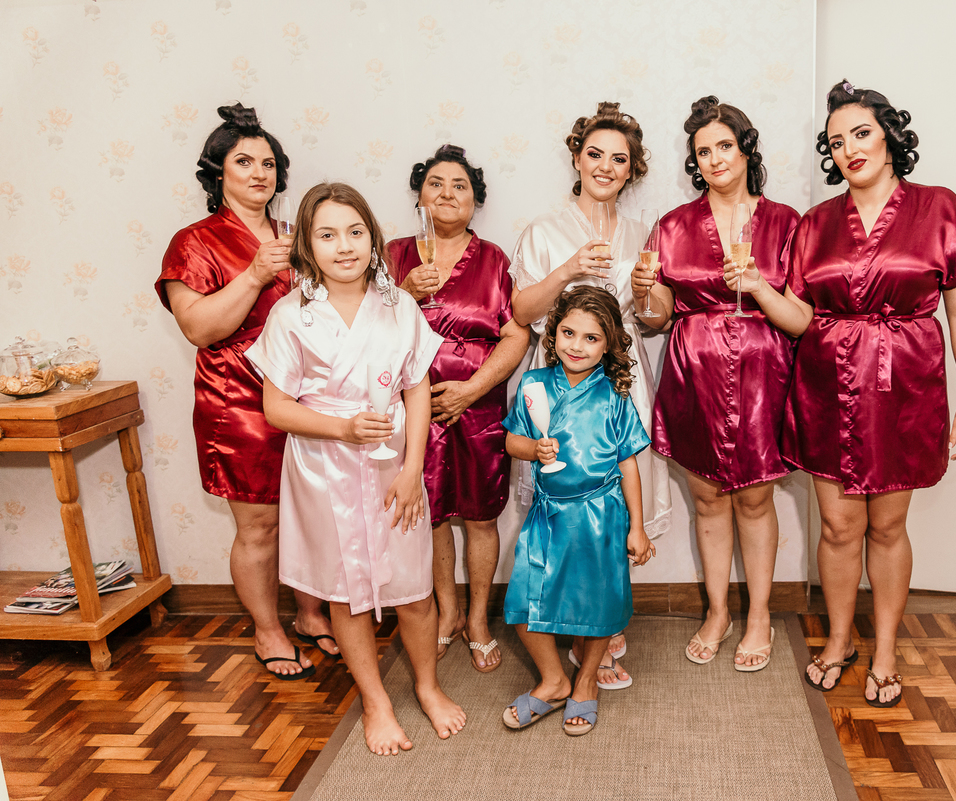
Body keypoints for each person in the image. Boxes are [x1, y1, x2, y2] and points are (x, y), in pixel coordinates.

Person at [731, 80, 956, 707]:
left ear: (890, 137)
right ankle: (840, 638)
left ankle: (887, 648)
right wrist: (759, 288)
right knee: (840, 526)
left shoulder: (939, 208)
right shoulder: (816, 223)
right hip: (828, 384)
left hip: (906, 385)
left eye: (861, 133)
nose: (849, 149)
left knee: (889, 526)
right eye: (836, 141)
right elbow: (800, 319)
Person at [246, 182, 466, 754]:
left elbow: (416, 388)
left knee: (414, 589)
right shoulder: (290, 316)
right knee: (345, 594)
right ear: (307, 245)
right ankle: (375, 701)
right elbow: (276, 408)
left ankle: (427, 685)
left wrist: (413, 468)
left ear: (373, 239)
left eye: (354, 232)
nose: (343, 246)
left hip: (395, 465)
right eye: (327, 235)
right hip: (324, 467)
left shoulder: (399, 306)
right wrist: (342, 429)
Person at [156, 103, 336, 679]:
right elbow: (199, 328)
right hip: (238, 402)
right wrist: (256, 274)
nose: (260, 173)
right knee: (260, 526)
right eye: (244, 162)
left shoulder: (297, 234)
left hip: (307, 397)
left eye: (268, 163)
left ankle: (310, 612)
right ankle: (267, 629)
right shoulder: (194, 242)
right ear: (218, 172)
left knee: (312, 515)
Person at [633, 96, 799, 671]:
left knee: (755, 497)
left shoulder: (787, 223)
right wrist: (643, 293)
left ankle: (759, 617)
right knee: (707, 498)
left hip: (763, 373)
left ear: (746, 149)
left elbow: (802, 316)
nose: (714, 158)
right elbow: (656, 317)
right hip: (695, 372)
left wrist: (757, 288)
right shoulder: (672, 226)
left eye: (724, 145)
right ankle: (718, 611)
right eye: (703, 151)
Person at [510, 101, 671, 687]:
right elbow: (522, 312)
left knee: (617, 491)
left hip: (620, 377)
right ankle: (569, 617)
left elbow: (655, 318)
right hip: (560, 376)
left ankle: (602, 619)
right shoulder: (543, 231)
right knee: (563, 492)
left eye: (619, 159)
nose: (606, 166)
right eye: (595, 154)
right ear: (577, 158)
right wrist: (567, 270)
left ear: (632, 169)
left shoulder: (642, 233)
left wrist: (645, 292)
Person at [390, 145, 529, 673]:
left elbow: (516, 335)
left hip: (479, 406)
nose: (447, 194)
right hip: (413, 407)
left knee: (479, 516)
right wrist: (402, 293)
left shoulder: (495, 260)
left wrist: (472, 389)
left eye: (460, 186)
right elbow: (364, 326)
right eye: (436, 183)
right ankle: (446, 610)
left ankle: (477, 619)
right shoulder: (393, 254)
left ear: (475, 201)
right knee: (430, 515)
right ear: (420, 196)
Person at [501, 286, 654, 736]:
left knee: (599, 605)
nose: (577, 346)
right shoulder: (534, 385)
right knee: (525, 604)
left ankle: (586, 681)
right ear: (553, 333)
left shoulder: (614, 394)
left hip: (600, 515)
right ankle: (553, 681)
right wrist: (533, 448)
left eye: (591, 338)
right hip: (548, 514)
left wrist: (638, 527)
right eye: (568, 333)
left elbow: (628, 464)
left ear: (608, 345)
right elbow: (512, 440)